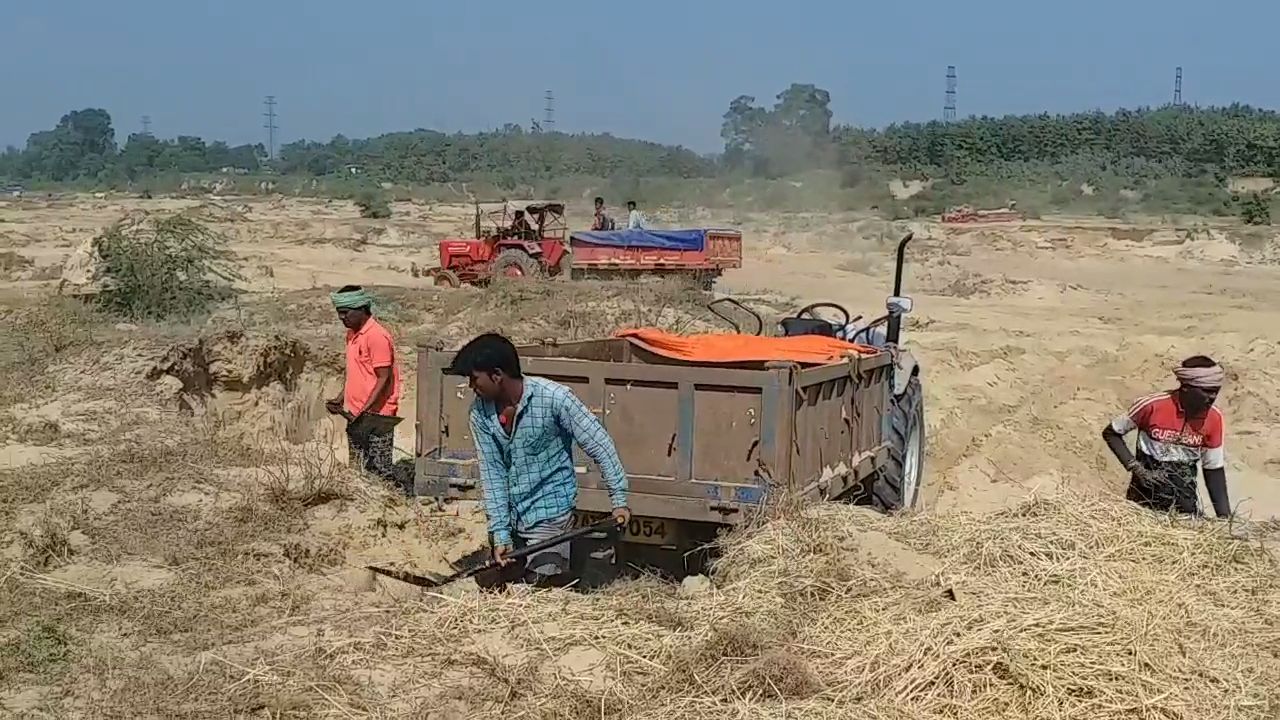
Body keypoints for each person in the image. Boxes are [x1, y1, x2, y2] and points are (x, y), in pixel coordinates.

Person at [449, 333, 629, 588]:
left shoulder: (555, 399)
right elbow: (493, 473)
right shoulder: (480, 413)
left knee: (542, 588)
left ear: (497, 375)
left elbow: (600, 445)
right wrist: (500, 533)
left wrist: (619, 500)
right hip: (511, 517)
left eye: (474, 378)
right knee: (501, 591)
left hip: (549, 516)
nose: (471, 386)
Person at [1102, 355, 1230, 518]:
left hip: (1184, 512)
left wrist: (1225, 520)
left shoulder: (1214, 418)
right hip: (1141, 507)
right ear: (1186, 387)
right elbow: (1111, 433)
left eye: (1215, 391)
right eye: (1206, 391)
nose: (1212, 397)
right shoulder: (1151, 406)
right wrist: (1137, 469)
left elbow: (1213, 470)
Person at [325, 285, 403, 486]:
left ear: (361, 308)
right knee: (358, 470)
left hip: (377, 418)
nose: (342, 317)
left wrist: (365, 411)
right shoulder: (352, 334)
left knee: (379, 472)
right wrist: (340, 399)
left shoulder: (377, 336)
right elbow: (355, 373)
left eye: (345, 312)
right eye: (339, 313)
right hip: (356, 415)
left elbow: (383, 378)